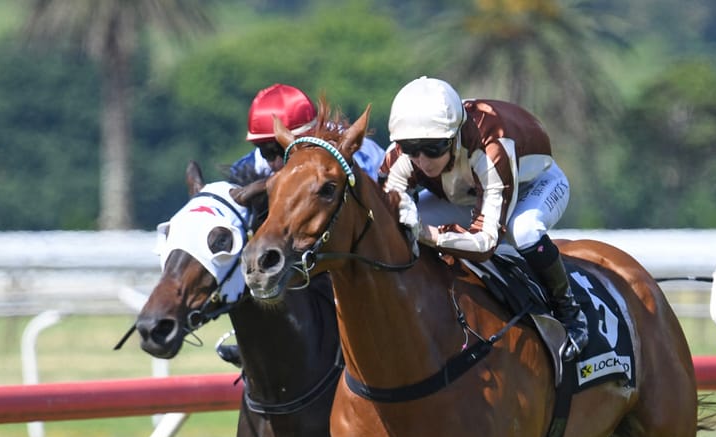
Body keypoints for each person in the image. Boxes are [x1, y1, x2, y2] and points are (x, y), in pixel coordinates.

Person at [381, 76, 588, 360]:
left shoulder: (491, 146)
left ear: (454, 136)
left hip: (531, 184)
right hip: (463, 194)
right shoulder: (400, 155)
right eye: (410, 148)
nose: (422, 160)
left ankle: (569, 311)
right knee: (398, 224)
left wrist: (426, 233)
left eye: (433, 148)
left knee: (522, 230)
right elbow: (384, 211)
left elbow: (485, 242)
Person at [230, 83, 386, 181]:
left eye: (283, 149)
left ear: (311, 136)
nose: (276, 163)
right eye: (266, 153)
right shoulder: (243, 172)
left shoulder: (363, 154)